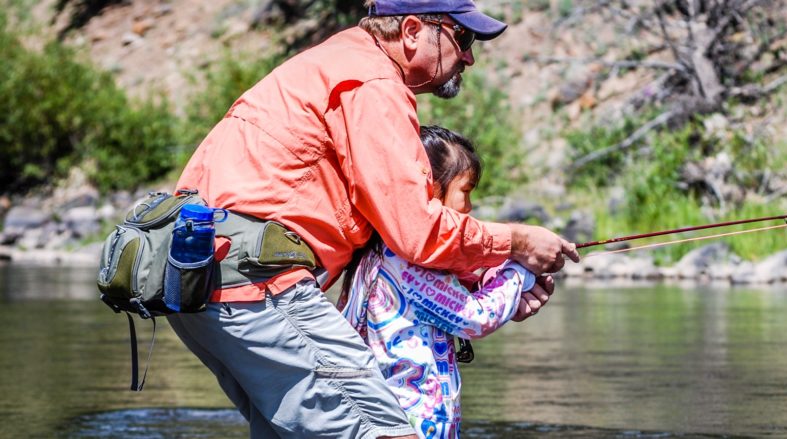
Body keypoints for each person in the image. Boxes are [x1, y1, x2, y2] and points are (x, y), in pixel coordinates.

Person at [166, 0, 578, 438]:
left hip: (193, 280)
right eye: (462, 38)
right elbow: (416, 233)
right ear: (414, 30)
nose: (469, 56)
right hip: (253, 283)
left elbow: (390, 237)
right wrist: (518, 243)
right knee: (382, 433)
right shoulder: (374, 82)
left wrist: (486, 277)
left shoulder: (329, 63)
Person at [339, 125, 533, 438]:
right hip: (413, 424)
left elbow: (441, 292)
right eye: (465, 192)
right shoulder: (409, 263)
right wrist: (520, 271)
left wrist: (486, 274)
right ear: (429, 190)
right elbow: (476, 318)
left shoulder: (379, 251)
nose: (468, 208)